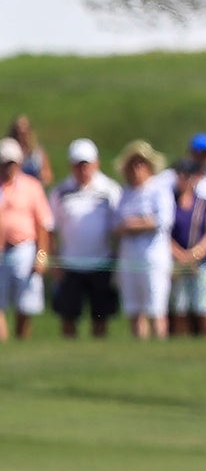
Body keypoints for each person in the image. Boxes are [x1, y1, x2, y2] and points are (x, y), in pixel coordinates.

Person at [51, 140, 122, 339]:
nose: (83, 169)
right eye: (78, 164)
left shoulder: (110, 190)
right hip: (70, 263)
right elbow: (51, 229)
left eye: (86, 164)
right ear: (71, 165)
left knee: (100, 315)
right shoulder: (61, 191)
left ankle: (98, 355)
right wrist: (53, 261)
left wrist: (117, 259)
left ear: (96, 163)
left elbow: (118, 227)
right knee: (68, 315)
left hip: (101, 261)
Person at [113, 141, 175, 340]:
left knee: (156, 305)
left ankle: (159, 339)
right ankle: (139, 341)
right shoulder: (125, 193)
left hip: (152, 256)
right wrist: (135, 224)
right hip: (129, 256)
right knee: (134, 306)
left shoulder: (158, 190)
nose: (136, 169)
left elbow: (162, 220)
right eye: (132, 164)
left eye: (141, 164)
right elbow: (117, 224)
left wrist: (136, 224)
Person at [0, 136, 53, 341]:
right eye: (4, 163)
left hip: (24, 249)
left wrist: (41, 255)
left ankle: (22, 341)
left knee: (25, 305)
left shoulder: (31, 187)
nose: (7, 168)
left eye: (11, 163)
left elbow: (43, 224)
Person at [166, 157, 206, 340]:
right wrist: (180, 255)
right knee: (180, 309)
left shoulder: (204, 205)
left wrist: (195, 254)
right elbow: (165, 233)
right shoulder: (170, 203)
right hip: (178, 263)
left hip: (203, 263)